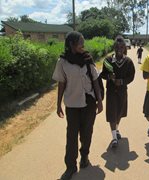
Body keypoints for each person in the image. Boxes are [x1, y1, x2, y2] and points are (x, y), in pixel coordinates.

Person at [52, 31, 103, 180]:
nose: (83, 45)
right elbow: (61, 83)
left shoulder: (87, 58)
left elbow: (95, 80)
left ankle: (84, 156)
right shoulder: (62, 62)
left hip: (89, 104)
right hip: (72, 104)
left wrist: (99, 101)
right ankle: (70, 167)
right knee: (71, 135)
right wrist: (58, 104)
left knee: (87, 133)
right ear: (72, 44)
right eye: (81, 42)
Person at [101, 35, 135, 148]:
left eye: (121, 47)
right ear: (114, 47)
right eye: (117, 47)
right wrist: (109, 76)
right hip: (111, 91)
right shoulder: (108, 61)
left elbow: (131, 76)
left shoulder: (128, 62)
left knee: (119, 112)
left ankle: (116, 129)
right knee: (112, 113)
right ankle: (114, 138)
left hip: (122, 92)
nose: (119, 49)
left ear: (124, 48)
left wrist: (122, 81)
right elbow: (102, 75)